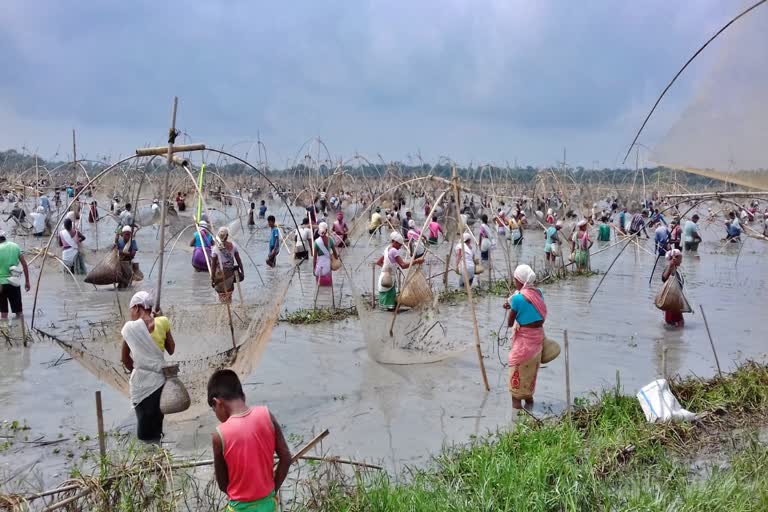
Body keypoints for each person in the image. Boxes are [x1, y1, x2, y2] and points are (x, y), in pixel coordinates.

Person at [207, 369, 291, 512]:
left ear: (217, 403)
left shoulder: (220, 434)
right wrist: (271, 491)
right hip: (269, 505)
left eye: (214, 410)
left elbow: (222, 484)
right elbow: (286, 458)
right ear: (243, 396)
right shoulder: (266, 415)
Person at [120, 291, 175, 442]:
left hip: (141, 384)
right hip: (160, 381)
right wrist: (160, 320)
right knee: (157, 424)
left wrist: (137, 370)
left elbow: (125, 358)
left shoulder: (130, 328)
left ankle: (148, 459)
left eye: (131, 309)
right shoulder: (162, 322)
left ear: (137, 307)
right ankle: (160, 456)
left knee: (143, 428)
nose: (131, 313)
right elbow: (171, 349)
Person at [502, 264, 547, 410]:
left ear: (520, 281)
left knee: (515, 394)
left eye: (515, 280)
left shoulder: (517, 299)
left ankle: (516, 425)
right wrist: (514, 303)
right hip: (537, 341)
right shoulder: (539, 293)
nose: (514, 283)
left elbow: (510, 323)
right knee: (528, 386)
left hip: (524, 344)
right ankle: (530, 413)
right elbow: (531, 308)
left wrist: (512, 305)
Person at [376, 232, 423, 310]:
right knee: (392, 308)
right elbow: (403, 265)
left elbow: (379, 262)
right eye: (399, 245)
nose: (400, 247)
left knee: (385, 307)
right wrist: (416, 261)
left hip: (383, 277)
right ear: (394, 242)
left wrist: (387, 269)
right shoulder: (394, 251)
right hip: (389, 279)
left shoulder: (387, 249)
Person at [211, 227, 245, 303]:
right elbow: (239, 261)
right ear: (227, 236)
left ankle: (223, 312)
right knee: (229, 297)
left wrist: (212, 279)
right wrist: (242, 272)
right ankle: (229, 311)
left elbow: (213, 266)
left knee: (222, 297)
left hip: (219, 277)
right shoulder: (233, 246)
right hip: (230, 276)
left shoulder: (215, 249)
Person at [661, 249, 686, 327]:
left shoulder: (675, 269)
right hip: (671, 303)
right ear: (676, 258)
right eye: (680, 259)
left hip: (675, 303)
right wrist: (671, 264)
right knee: (676, 324)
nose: (681, 261)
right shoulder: (671, 268)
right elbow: (664, 278)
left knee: (678, 324)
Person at [313, 223, 338, 287]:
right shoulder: (330, 240)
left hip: (319, 267)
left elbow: (315, 258)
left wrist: (314, 269)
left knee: (319, 286)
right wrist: (335, 257)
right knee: (328, 286)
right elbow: (336, 255)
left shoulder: (316, 242)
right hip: (327, 267)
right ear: (326, 230)